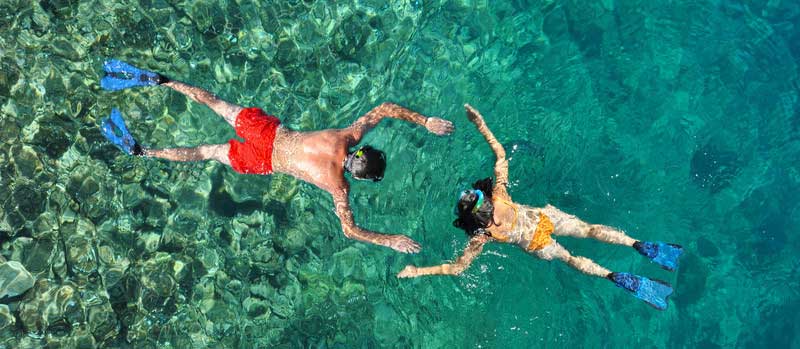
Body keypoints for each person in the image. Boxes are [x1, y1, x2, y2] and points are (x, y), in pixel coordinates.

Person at [99, 59, 454, 253]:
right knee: (206, 151)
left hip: (267, 132)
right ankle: (143, 150)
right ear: (358, 175)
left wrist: (425, 121)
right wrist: (389, 239)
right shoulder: (338, 187)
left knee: (214, 102)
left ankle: (160, 81)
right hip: (263, 161)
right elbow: (349, 231)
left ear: (361, 151)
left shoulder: (347, 136)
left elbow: (384, 108)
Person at [397, 104, 683, 310]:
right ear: (482, 199)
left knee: (570, 259)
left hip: (536, 243)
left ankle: (613, 276)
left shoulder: (482, 236)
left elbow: (457, 268)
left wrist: (418, 271)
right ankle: (637, 244)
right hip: (545, 218)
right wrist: (479, 123)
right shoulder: (500, 195)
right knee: (590, 230)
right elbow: (500, 154)